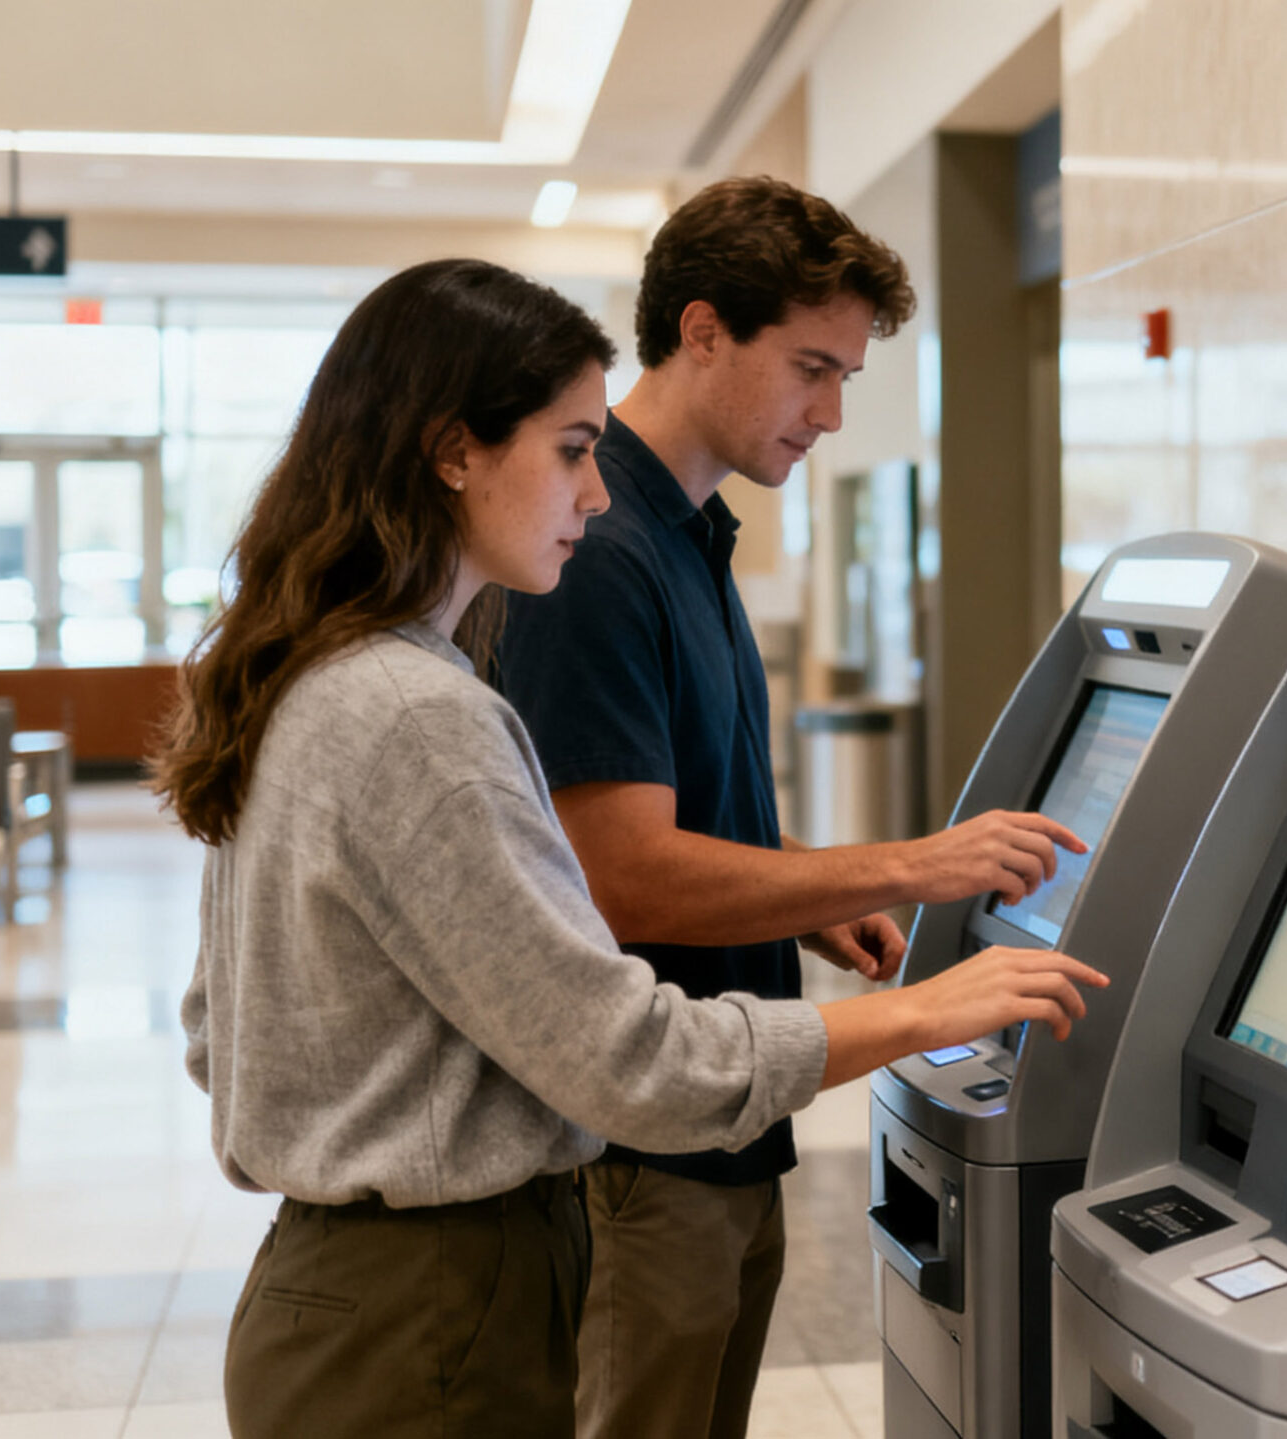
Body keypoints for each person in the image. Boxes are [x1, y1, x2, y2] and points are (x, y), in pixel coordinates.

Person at [151, 257, 1104, 1439]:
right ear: (454, 450)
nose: (595, 495)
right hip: (428, 1307)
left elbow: (218, 1028)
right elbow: (622, 1055)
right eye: (567, 448)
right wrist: (926, 1011)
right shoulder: (416, 714)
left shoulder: (324, 672)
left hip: (339, 1288)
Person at [492, 178, 1084, 1439]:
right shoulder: (599, 551)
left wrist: (819, 898)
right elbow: (622, 877)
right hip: (637, 1160)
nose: (827, 413)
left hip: (723, 1127)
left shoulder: (691, 532)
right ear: (701, 330)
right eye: (809, 368)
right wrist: (906, 863)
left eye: (845, 380)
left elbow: (689, 818)